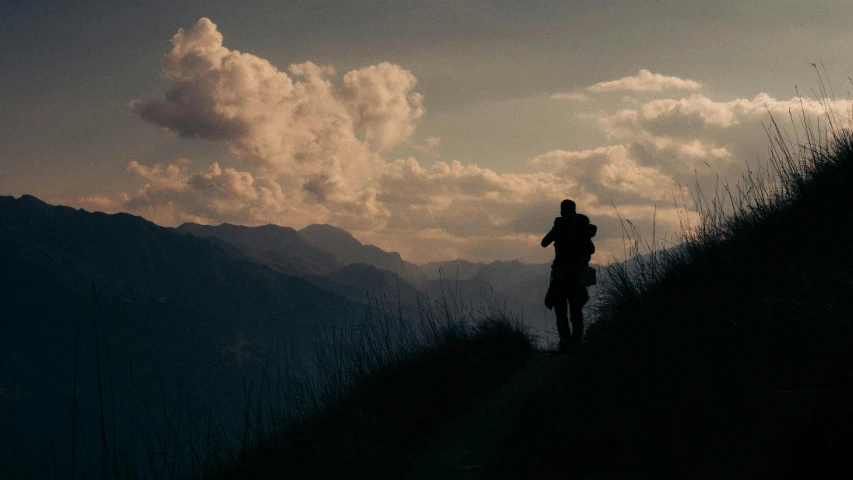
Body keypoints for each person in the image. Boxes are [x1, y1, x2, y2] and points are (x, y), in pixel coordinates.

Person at [542, 199, 597, 350]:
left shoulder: (559, 226)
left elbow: (544, 242)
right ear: (575, 209)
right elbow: (591, 250)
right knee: (576, 309)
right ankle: (577, 341)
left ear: (561, 210)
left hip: (560, 275)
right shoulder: (583, 226)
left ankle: (565, 341)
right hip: (578, 276)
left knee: (561, 311)